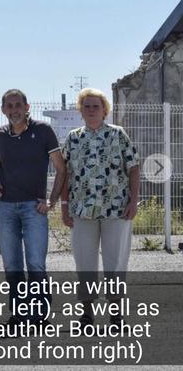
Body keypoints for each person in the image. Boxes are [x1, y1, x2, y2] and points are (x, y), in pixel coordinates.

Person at [0, 89, 66, 329]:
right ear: (3, 110)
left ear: (27, 106)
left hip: (35, 208)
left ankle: (39, 316)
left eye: (17, 105)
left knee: (35, 264)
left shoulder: (43, 131)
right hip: (6, 208)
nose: (14, 110)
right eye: (9, 106)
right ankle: (19, 316)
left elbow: (61, 169)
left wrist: (51, 201)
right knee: (12, 265)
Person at [61, 88, 139, 328]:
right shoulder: (73, 138)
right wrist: (64, 206)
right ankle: (87, 314)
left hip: (116, 210)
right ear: (81, 111)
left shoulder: (118, 135)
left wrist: (133, 201)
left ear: (105, 110)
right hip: (82, 211)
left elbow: (133, 167)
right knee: (85, 262)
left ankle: (116, 315)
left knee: (115, 262)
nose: (92, 110)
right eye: (87, 106)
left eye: (96, 106)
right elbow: (65, 173)